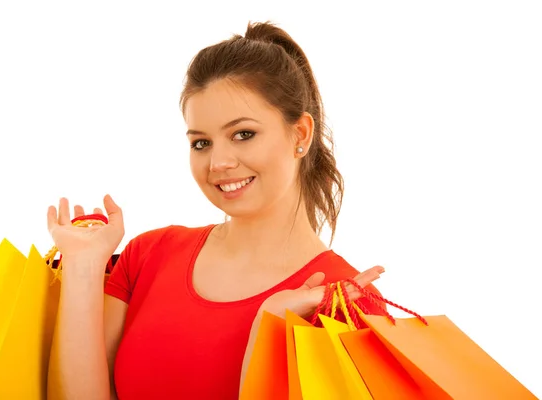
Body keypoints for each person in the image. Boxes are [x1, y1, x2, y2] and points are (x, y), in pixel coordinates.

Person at [46, 21, 387, 400]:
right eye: (202, 143)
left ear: (300, 135)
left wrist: (270, 327)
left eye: (243, 134)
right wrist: (83, 266)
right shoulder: (149, 257)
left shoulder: (343, 301)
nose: (218, 162)